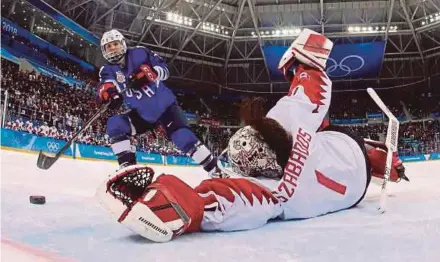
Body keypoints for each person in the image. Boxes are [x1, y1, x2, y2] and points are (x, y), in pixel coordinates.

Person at [96, 29, 408, 243]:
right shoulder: (288, 125)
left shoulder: (275, 193)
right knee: (324, 131)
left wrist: (178, 205)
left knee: (185, 139)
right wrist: (300, 61)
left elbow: (222, 200)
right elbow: (313, 84)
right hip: (351, 165)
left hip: (352, 176)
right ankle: (127, 162)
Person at [97, 29, 218, 175]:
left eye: (115, 44)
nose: (113, 48)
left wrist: (149, 74)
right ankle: (128, 170)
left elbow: (164, 69)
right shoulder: (107, 69)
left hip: (166, 108)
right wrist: (110, 95)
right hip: (143, 116)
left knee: (182, 137)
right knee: (115, 124)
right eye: (108, 46)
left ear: (122, 43)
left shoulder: (139, 53)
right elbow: (105, 86)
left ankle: (215, 170)